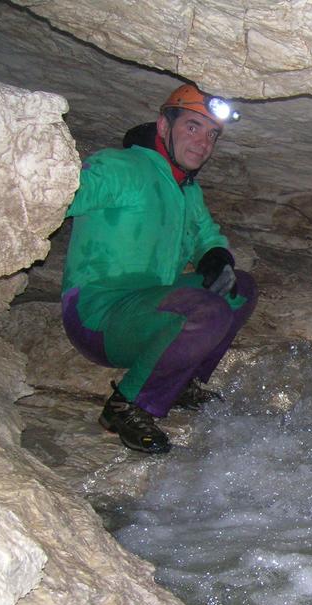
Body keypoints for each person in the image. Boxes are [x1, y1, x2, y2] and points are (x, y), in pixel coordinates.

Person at [61, 83, 257, 453]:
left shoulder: (186, 189)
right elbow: (58, 196)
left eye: (211, 134)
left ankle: (179, 381)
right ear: (163, 127)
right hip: (98, 317)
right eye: (192, 127)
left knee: (239, 288)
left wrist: (215, 257)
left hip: (148, 309)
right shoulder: (119, 167)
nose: (203, 142)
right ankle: (127, 405)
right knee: (206, 310)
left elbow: (206, 237)